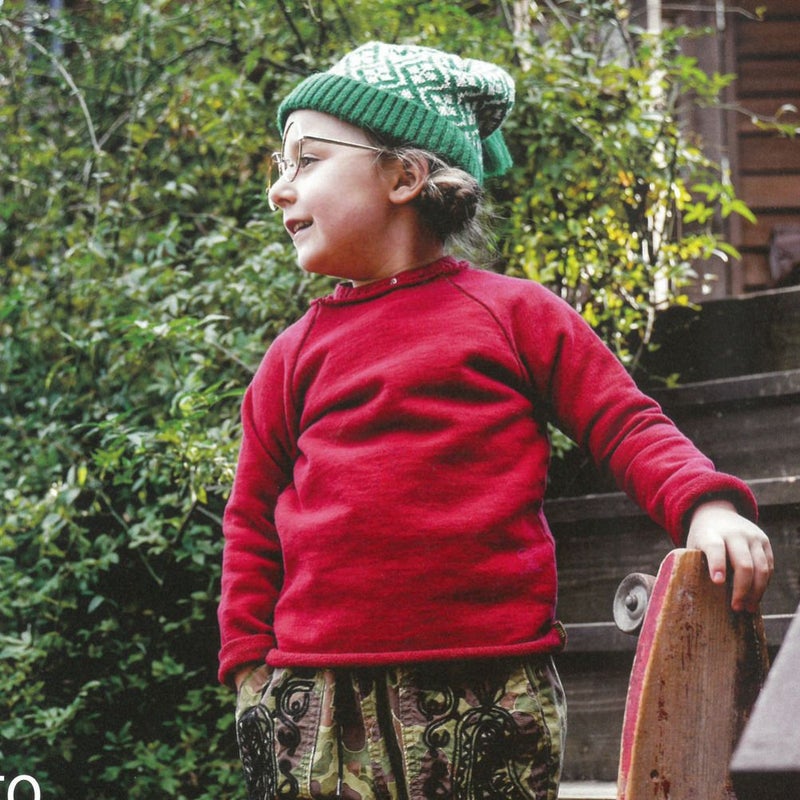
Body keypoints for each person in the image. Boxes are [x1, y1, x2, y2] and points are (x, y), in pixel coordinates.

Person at [217, 41, 773, 800]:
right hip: (318, 696)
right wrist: (250, 665)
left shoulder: (514, 316)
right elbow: (251, 514)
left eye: (307, 160)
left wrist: (705, 506)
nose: (280, 189)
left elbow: (624, 424)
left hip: (488, 690)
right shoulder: (292, 356)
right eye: (281, 166)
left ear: (404, 176)